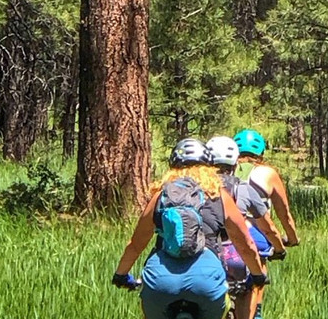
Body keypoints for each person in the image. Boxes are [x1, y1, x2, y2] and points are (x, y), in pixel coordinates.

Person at [113, 138, 267, 319]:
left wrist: (121, 275)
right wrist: (257, 275)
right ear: (209, 167)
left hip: (161, 281)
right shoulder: (219, 195)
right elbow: (245, 243)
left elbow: (135, 245)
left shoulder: (161, 196)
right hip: (206, 280)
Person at [207, 136, 286, 319]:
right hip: (234, 253)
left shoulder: (193, 188)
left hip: (203, 255)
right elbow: (269, 227)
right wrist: (280, 248)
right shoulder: (242, 187)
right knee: (252, 281)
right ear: (235, 164)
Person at [233, 129, 299, 319]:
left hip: (223, 234)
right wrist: (292, 238)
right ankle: (256, 314)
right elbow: (283, 213)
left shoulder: (224, 170)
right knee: (258, 279)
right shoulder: (267, 173)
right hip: (255, 234)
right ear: (261, 152)